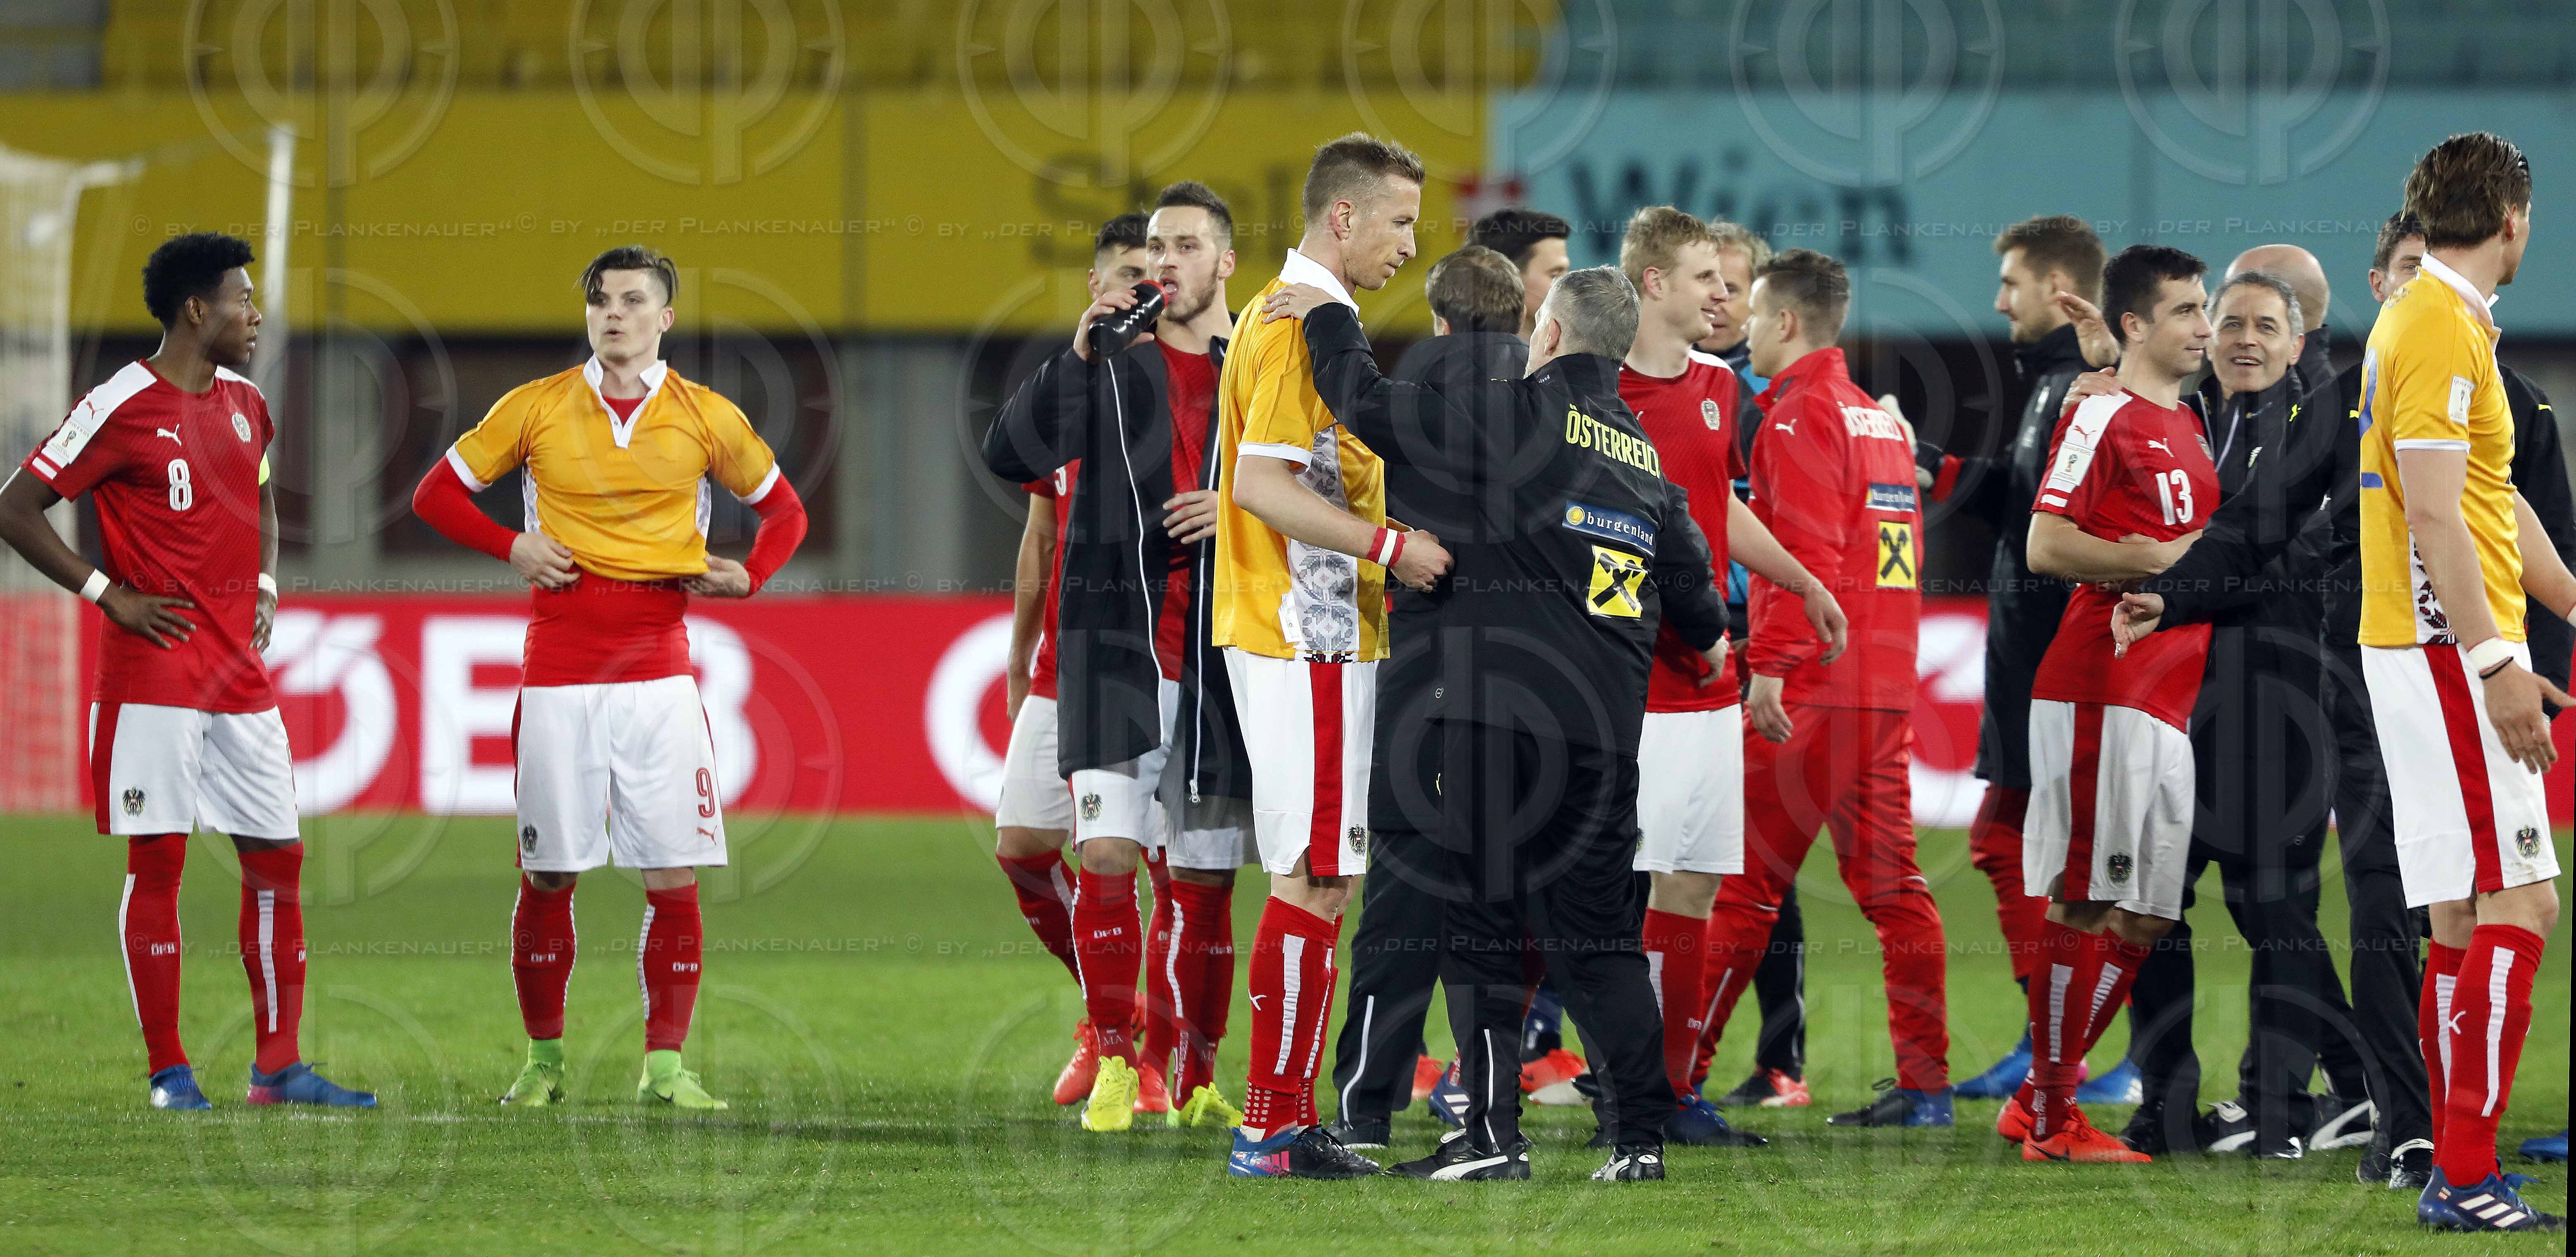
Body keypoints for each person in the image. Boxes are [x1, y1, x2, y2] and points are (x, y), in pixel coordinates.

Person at [1264, 265, 1778, 1181]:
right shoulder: (1642, 457)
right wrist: (1709, 646)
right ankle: (1639, 1143)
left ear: (1549, 335)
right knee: (1603, 941)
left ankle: (1492, 1140)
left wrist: (1330, 315)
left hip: (1494, 718)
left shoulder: (1509, 415)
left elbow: (1367, 406)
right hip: (1605, 735)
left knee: (1481, 930)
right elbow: (1693, 586)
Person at [2115, 209, 2576, 1190]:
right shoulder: (2352, 400)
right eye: (2405, 273)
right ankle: (2411, 1130)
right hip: (2374, 693)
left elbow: (2540, 551)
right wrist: (2174, 592)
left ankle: (2455, 1139)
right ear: (2379, 285)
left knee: (2474, 908)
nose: (2421, 292)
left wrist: (2535, 686)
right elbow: (2260, 518)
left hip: (2478, 688)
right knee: (2389, 910)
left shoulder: (2513, 403)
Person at [409, 245, 809, 1111]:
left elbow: (785, 510)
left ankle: (665, 1068)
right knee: (550, 875)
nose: (614, 313)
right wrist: (511, 544)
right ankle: (544, 1063)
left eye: (632, 300)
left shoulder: (707, 416)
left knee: (672, 875)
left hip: (659, 675)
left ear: (666, 317)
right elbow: (434, 494)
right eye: (601, 300)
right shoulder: (535, 407)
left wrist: (753, 574)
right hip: (558, 672)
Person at [0, 232, 374, 1111]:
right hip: (153, 675)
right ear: (197, 310)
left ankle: (277, 1069)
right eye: (243, 299)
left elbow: (264, 494)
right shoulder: (119, 404)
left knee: (278, 857)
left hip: (238, 674)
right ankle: (170, 1072)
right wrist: (108, 594)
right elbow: (15, 507)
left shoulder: (247, 402)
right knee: (160, 859)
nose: (256, 314)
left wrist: (268, 584)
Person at [982, 185, 1259, 1133]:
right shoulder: (1106, 368)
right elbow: (1010, 458)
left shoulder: (1260, 365)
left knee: (1202, 879)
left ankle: (1193, 1075)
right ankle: (1112, 1049)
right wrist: (1077, 353)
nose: (1164, 265)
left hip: (1219, 659)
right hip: (1107, 654)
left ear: (1224, 263)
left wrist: (1241, 510)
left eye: (1184, 247)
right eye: (1153, 250)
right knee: (1093, 850)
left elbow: (1327, 485)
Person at [1211, 132, 1450, 1179]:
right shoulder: (1304, 322)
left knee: (1319, 879)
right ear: (1342, 216)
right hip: (1304, 632)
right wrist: (1389, 547)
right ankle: (1270, 1129)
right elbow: (1259, 484)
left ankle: (1282, 1120)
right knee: (1315, 880)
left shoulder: (1282, 312)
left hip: (1300, 630)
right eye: (1399, 220)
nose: (1410, 242)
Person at [2096, 262, 2370, 1159]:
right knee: (2155, 903)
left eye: (2266, 326)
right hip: (2174, 700)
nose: (2245, 340)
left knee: (2276, 911)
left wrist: (2174, 573)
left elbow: (2299, 556)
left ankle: (2281, 1109)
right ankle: (2165, 1102)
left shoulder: (2320, 431)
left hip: (2279, 706)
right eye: (2231, 323)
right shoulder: (2180, 421)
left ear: (2297, 346)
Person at [2350, 133, 2565, 1233]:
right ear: (2512, 219)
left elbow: (2489, 496)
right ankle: (2466, 1176)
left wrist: (2567, 602)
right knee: (2523, 899)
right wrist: (2495, 663)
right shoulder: (2436, 322)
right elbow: (2433, 516)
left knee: (2456, 913)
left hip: (2422, 644)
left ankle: (2457, 1167)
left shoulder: (2432, 316)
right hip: (2445, 648)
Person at [1697, 248, 1952, 1128]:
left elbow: (1804, 554)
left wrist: (1770, 664)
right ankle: (1926, 1087)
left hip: (1813, 683)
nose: (1744, 328)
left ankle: (1670, 1080)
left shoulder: (1798, 416)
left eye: (1753, 315)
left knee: (1739, 885)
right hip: (1883, 683)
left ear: (1786, 321)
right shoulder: (1878, 420)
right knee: (1896, 892)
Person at [1614, 207, 1843, 1147]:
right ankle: (1517, 1078)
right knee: (1589, 892)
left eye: (1727, 279)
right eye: (1707, 277)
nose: (1724, 294)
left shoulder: (1716, 387)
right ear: (1653, 284)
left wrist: (1801, 578)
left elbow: (1713, 509)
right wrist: (1689, 624)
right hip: (1626, 679)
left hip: (1708, 682)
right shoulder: (1594, 387)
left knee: (1695, 886)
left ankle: (1663, 1092)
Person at [2004, 243, 2215, 1163]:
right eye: (2185, 310)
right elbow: (2046, 544)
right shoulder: (2100, 415)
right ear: (2135, 324)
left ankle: (2037, 1096)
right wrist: (2155, 559)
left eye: (2204, 307)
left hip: (2167, 697)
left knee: (2149, 914)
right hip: (2103, 685)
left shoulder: (2192, 422)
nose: (2204, 326)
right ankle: (2053, 1120)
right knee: (2086, 898)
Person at [1910, 215, 2127, 1102]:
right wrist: (1923, 461)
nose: (1999, 301)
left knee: (2037, 853)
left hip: (2056, 668)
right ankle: (2059, 1047)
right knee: (2034, 853)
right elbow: (2016, 492)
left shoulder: (2086, 390)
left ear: (2057, 289)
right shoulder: (2054, 386)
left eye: (2011, 283)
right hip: (2029, 665)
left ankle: (2070, 1051)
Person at [1324, 244, 1530, 1151]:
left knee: (1401, 897)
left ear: (1441, 320)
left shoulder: (1416, 398)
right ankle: (1492, 1115)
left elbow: (1349, 391)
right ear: (1523, 320)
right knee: (1499, 907)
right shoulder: (1556, 406)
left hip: (1426, 676)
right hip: (1533, 685)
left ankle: (1366, 1108)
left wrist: (1323, 309)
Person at [987, 215, 1133, 1110]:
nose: (1139, 293)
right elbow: (1040, 535)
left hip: (1152, 659)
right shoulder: (1067, 393)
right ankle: (1113, 1006)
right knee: (1022, 848)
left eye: (1155, 278)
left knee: (1139, 857)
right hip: (1061, 662)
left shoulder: (1191, 388)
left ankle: (1145, 1045)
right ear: (1093, 287)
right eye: (1125, 278)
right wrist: (1018, 654)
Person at [1468, 207, 1571, 338]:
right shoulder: (1466, 350)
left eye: (1567, 273)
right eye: (1555, 275)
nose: (1569, 285)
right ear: (1506, 281)